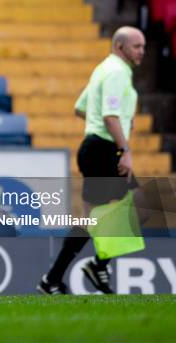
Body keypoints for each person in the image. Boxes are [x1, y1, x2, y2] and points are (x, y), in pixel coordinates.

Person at [38, 26, 145, 295]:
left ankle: (52, 279)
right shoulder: (117, 73)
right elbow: (110, 116)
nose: (142, 51)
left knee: (93, 218)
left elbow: (80, 107)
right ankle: (97, 265)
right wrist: (126, 149)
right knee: (141, 207)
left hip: (95, 147)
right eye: (137, 46)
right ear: (120, 47)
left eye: (143, 46)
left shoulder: (103, 69)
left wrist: (102, 128)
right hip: (104, 149)